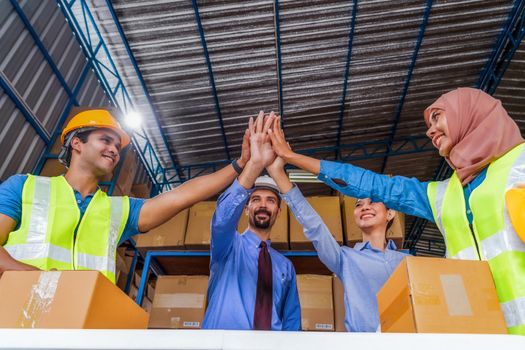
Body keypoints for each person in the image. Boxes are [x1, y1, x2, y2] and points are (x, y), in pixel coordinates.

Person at [268, 87, 525, 335]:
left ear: (469, 114)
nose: (430, 130)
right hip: (478, 335)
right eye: (358, 204)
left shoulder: (520, 164)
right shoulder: (443, 196)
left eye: (437, 117)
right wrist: (291, 158)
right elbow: (368, 184)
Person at [0, 108, 250, 282]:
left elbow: (182, 196)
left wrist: (239, 164)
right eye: (105, 140)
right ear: (77, 143)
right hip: (19, 321)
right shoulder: (24, 187)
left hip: (83, 328)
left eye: (117, 147)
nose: (114, 151)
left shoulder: (119, 210)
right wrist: (37, 278)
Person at [202, 112, 301, 331]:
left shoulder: (285, 267)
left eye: (270, 201)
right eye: (255, 200)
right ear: (246, 208)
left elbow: (292, 323)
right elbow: (222, 219)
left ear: (278, 210)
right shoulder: (228, 247)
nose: (263, 205)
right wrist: (255, 164)